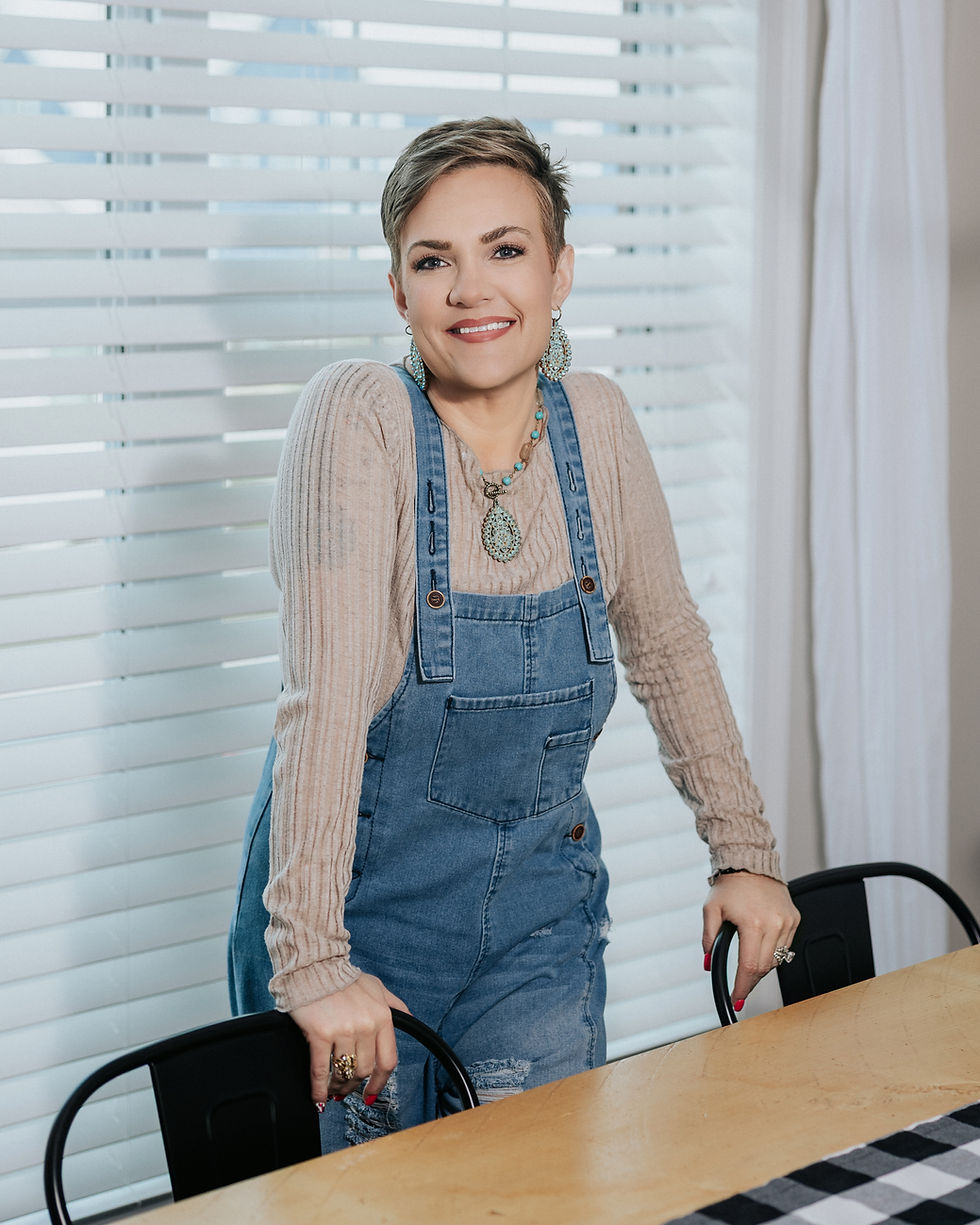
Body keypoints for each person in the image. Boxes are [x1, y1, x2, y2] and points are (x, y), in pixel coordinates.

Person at [228, 116, 799, 1148]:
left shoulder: (599, 424)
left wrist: (744, 853)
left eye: (505, 249)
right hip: (358, 935)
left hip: (538, 931)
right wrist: (312, 960)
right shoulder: (358, 418)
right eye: (432, 259)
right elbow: (322, 702)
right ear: (397, 290)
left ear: (560, 269)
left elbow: (667, 647)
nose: (470, 289)